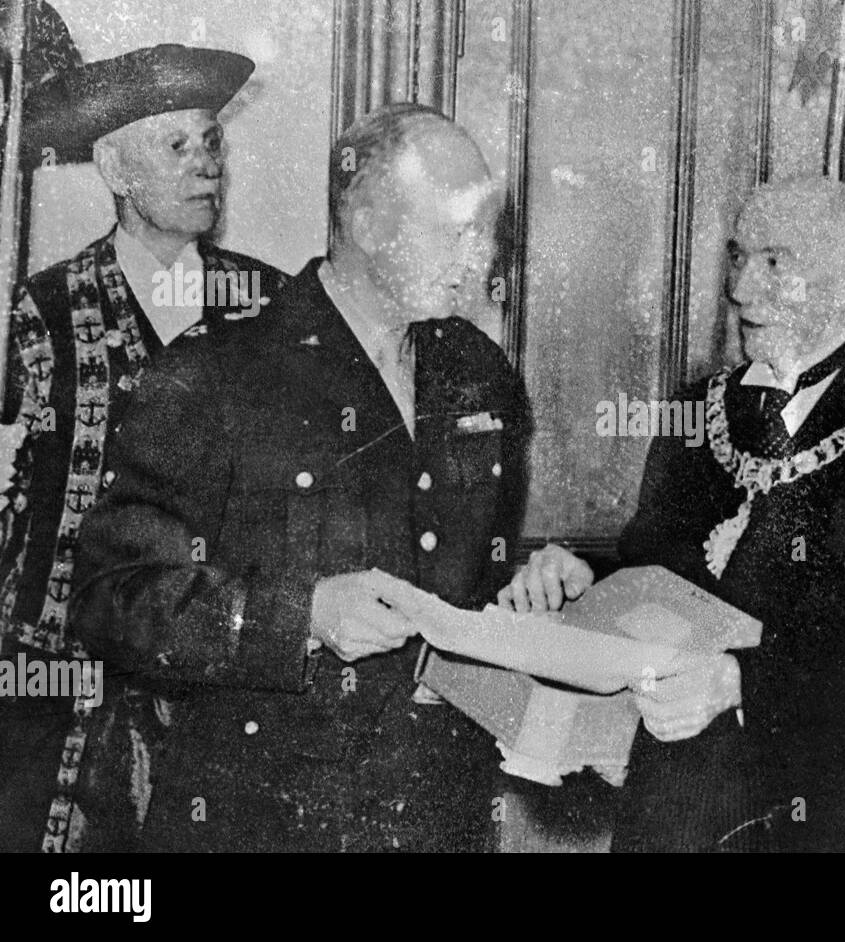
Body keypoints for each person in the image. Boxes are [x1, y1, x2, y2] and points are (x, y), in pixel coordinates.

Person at [70, 104, 529, 852]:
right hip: (268, 821)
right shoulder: (214, 376)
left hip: (440, 811)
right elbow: (111, 599)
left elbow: (470, 576)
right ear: (371, 224)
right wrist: (303, 615)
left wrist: (532, 578)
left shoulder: (479, 375)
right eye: (458, 231)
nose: (482, 262)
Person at [501, 176, 845, 851]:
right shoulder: (697, 412)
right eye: (737, 257)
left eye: (775, 262)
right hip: (680, 807)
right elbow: (656, 574)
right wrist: (582, 582)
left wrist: (742, 680)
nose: (740, 289)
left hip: (833, 810)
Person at [0, 43, 286, 852]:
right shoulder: (39, 312)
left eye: (213, 143)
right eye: (177, 146)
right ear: (114, 168)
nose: (207, 167)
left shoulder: (270, 309)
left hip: (215, 677)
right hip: (57, 686)